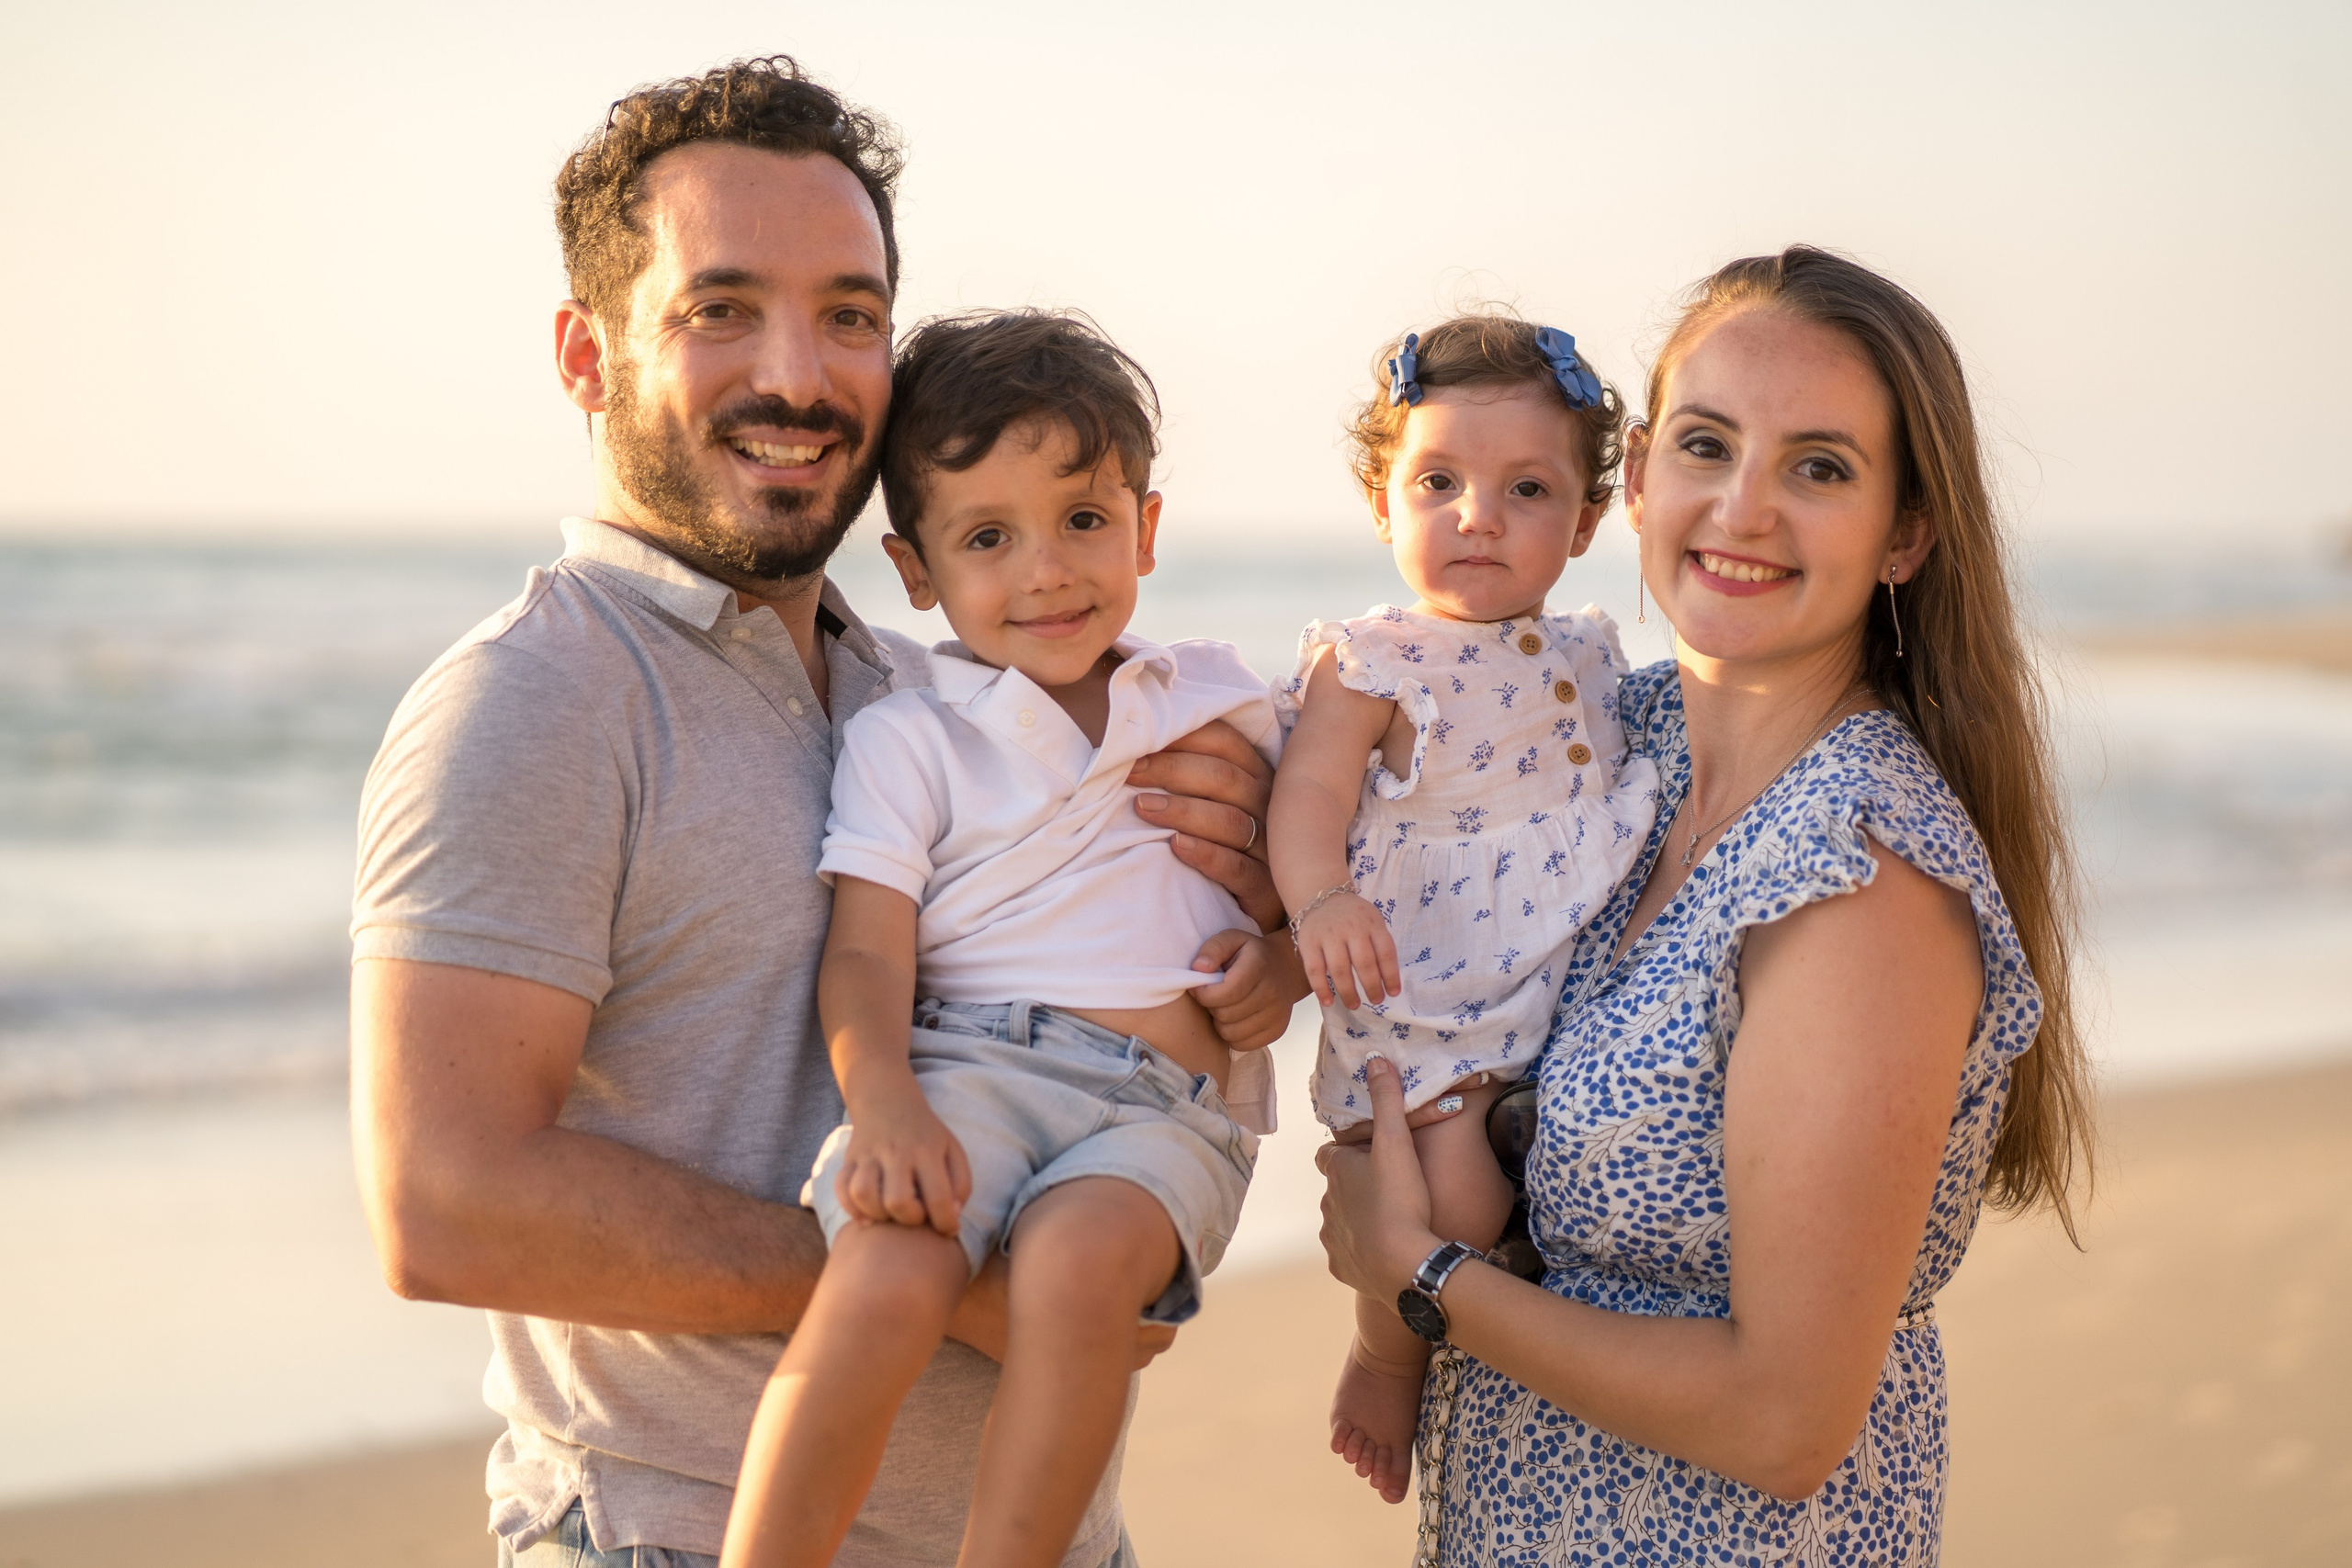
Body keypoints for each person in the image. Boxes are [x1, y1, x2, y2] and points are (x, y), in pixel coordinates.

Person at [347, 60, 1284, 1568]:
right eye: (721, 308)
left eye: (850, 314)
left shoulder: (953, 690)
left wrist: (1270, 929)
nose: (800, 371)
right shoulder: (535, 697)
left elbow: (1192, 957)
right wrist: (936, 1262)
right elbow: (444, 1202)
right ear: (588, 356)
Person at [1317, 246, 2093, 1563]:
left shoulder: (1859, 880)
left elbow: (1785, 1420)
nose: (1742, 509)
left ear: (1906, 532)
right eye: (1707, 445)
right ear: (1633, 480)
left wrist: (1425, 1276)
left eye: (1820, 467)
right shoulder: (1623, 745)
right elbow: (1401, 831)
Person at [720, 309, 1301, 1568]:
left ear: (1146, 527)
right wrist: (880, 1106)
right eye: (989, 538)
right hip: (969, 1074)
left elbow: (1311, 891)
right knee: (886, 1270)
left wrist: (1286, 962)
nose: (1045, 570)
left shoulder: (1218, 699)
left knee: (1079, 1275)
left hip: (1165, 1113)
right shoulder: (915, 731)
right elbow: (870, 951)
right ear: (917, 570)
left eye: (1083, 520)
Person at [1266, 315, 1659, 1504]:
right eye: (1438, 481)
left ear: (1587, 524)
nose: (1476, 515)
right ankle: (1382, 1358)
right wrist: (1320, 897)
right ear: (1383, 503)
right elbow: (1304, 798)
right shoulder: (1374, 662)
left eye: (1525, 489)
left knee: (1540, 1191)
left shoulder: (1592, 656)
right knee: (1454, 1201)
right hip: (1424, 998)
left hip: (1548, 995)